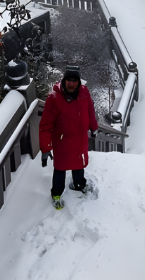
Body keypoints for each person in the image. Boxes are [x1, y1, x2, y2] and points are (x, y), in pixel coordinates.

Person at [39, 65, 98, 209]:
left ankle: (79, 184)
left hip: (80, 139)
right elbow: (45, 125)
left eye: (74, 80)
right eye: (69, 80)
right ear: (64, 81)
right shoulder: (54, 98)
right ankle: (57, 194)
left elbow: (90, 110)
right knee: (60, 169)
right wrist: (45, 148)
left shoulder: (84, 93)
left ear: (78, 82)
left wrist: (94, 127)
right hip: (62, 142)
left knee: (79, 164)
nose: (71, 83)